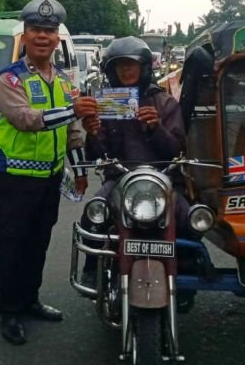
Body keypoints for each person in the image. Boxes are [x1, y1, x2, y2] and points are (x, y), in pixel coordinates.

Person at [0, 0, 98, 345]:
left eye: (49, 31)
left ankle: (30, 300)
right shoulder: (9, 79)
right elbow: (24, 119)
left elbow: (73, 132)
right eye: (36, 29)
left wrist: (80, 170)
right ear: (25, 34)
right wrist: (71, 111)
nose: (43, 37)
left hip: (49, 179)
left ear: (57, 39)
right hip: (14, 180)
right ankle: (9, 312)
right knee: (11, 246)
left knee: (38, 243)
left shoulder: (64, 81)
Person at [79, 36, 189, 287]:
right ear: (112, 70)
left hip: (163, 180)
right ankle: (92, 266)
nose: (126, 70)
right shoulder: (108, 103)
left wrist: (155, 127)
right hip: (119, 179)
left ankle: (188, 266)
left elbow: (175, 150)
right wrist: (93, 132)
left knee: (191, 220)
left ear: (145, 67)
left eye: (131, 64)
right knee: (92, 216)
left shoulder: (165, 102)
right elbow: (97, 154)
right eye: (120, 65)